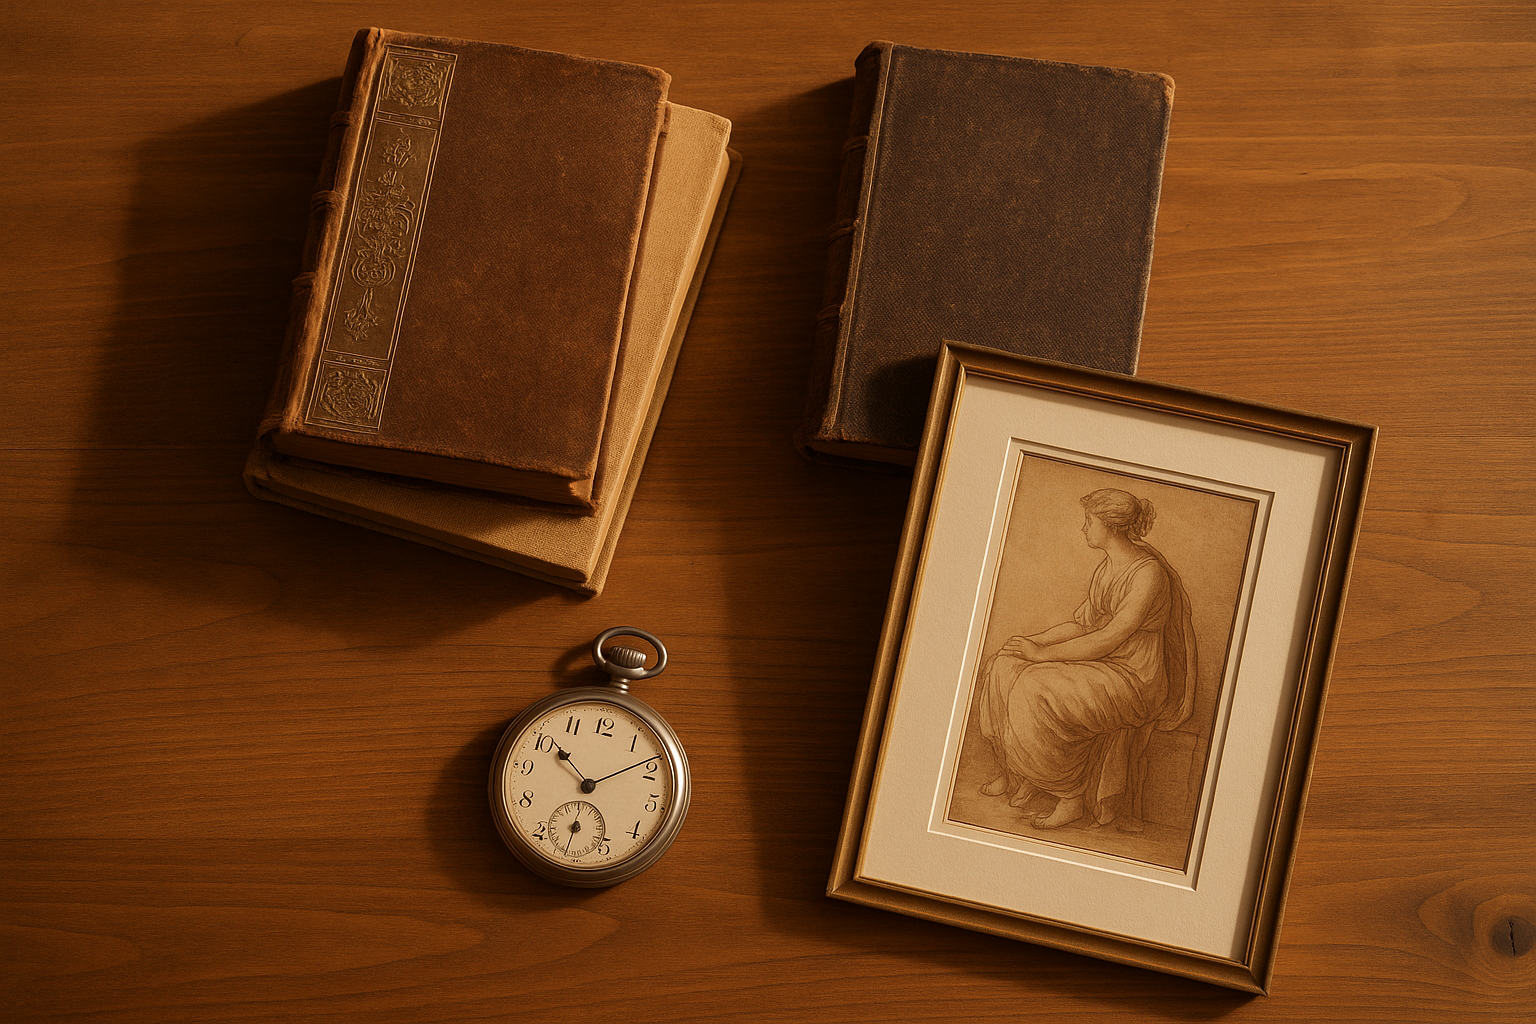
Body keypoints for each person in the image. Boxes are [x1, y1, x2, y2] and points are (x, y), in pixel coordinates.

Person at [978, 487, 1197, 831]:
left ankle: (1071, 796)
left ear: (1110, 526)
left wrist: (1043, 655)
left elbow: (1110, 637)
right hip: (1101, 666)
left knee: (1034, 687)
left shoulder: (1147, 574)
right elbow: (1081, 625)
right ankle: (1015, 771)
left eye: (1088, 521)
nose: (1084, 528)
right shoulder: (1107, 568)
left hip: (1133, 679)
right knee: (1004, 665)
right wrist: (1031, 643)